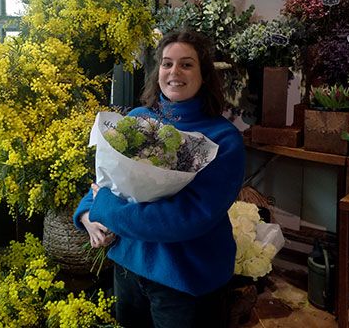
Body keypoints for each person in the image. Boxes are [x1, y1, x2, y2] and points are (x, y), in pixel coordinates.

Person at [73, 30, 245, 328]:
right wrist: (87, 213)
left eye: (186, 64)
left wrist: (104, 209)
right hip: (128, 265)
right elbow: (106, 181)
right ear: (157, 72)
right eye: (167, 64)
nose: (174, 72)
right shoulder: (139, 119)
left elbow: (186, 217)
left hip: (184, 280)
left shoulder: (223, 140)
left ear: (204, 75)